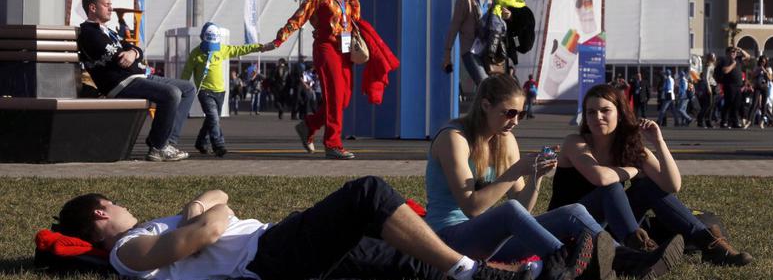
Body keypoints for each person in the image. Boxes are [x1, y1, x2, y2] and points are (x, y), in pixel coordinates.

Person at [55, 177, 535, 280]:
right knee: (367, 194)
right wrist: (204, 216)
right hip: (267, 257)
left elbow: (219, 194)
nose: (123, 205)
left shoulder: (150, 229)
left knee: (404, 262)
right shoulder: (127, 251)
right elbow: (208, 231)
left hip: (275, 244)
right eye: (114, 203)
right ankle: (470, 271)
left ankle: (508, 275)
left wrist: (197, 206)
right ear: (100, 213)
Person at [425, 73, 614, 279]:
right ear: (486, 105)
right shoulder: (454, 138)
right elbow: (471, 207)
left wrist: (536, 175)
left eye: (521, 114)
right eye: (509, 113)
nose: (515, 121)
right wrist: (516, 170)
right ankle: (563, 264)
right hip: (448, 241)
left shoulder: (505, 139)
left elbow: (522, 208)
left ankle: (621, 257)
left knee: (574, 211)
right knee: (509, 210)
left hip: (490, 242)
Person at [549, 84, 752, 272]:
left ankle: (710, 245)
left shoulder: (628, 148)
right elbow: (600, 178)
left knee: (646, 187)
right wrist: (634, 170)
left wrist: (658, 142)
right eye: (591, 112)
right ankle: (641, 253)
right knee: (611, 188)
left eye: (605, 110)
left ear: (619, 114)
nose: (597, 117)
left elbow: (672, 185)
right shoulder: (575, 142)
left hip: (606, 228)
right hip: (569, 228)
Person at [77, 0, 194, 162]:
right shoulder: (90, 33)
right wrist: (132, 55)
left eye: (111, 4)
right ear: (93, 8)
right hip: (121, 83)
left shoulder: (108, 31)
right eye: (107, 5)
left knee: (188, 88)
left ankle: (165, 142)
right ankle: (158, 147)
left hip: (137, 77)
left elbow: (134, 49)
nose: (111, 8)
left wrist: (133, 53)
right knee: (172, 93)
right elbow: (121, 59)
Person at [261, 0, 359, 159]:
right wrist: (278, 40)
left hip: (344, 49)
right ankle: (333, 144)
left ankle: (309, 125)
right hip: (326, 48)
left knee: (344, 99)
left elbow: (355, 19)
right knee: (334, 97)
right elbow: (298, 18)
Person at [180, 22, 265, 157]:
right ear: (202, 38)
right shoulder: (195, 54)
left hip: (220, 92)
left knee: (211, 119)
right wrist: (181, 89)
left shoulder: (222, 49)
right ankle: (219, 145)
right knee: (214, 118)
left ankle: (201, 142)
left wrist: (259, 47)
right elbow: (186, 73)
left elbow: (240, 49)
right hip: (204, 91)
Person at [442, 0, 509, 86]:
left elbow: (501, 19)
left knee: (496, 86)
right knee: (484, 83)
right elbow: (454, 26)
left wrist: (507, 15)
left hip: (491, 47)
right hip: (471, 49)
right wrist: (447, 54)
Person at [717, 46, 749, 128]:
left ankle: (734, 121)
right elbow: (725, 71)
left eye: (735, 52)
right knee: (729, 103)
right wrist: (733, 64)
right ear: (727, 53)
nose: (734, 53)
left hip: (738, 85)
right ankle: (724, 121)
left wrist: (741, 50)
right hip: (729, 85)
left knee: (737, 104)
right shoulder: (725, 60)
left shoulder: (738, 59)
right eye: (732, 52)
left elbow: (748, 56)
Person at [745, 55, 773, 129]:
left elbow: (770, 78)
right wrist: (758, 71)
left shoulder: (768, 69)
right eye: (761, 62)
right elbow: (752, 76)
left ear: (766, 62)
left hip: (765, 87)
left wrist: (765, 71)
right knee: (754, 104)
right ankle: (749, 121)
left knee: (763, 105)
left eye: (764, 62)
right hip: (757, 86)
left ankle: (762, 121)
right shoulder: (757, 68)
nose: (762, 63)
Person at [697, 53, 716, 128]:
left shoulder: (712, 65)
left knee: (711, 105)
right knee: (708, 105)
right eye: (713, 57)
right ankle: (700, 119)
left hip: (713, 85)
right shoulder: (708, 66)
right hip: (709, 86)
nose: (714, 58)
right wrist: (708, 87)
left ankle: (708, 121)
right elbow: (706, 77)